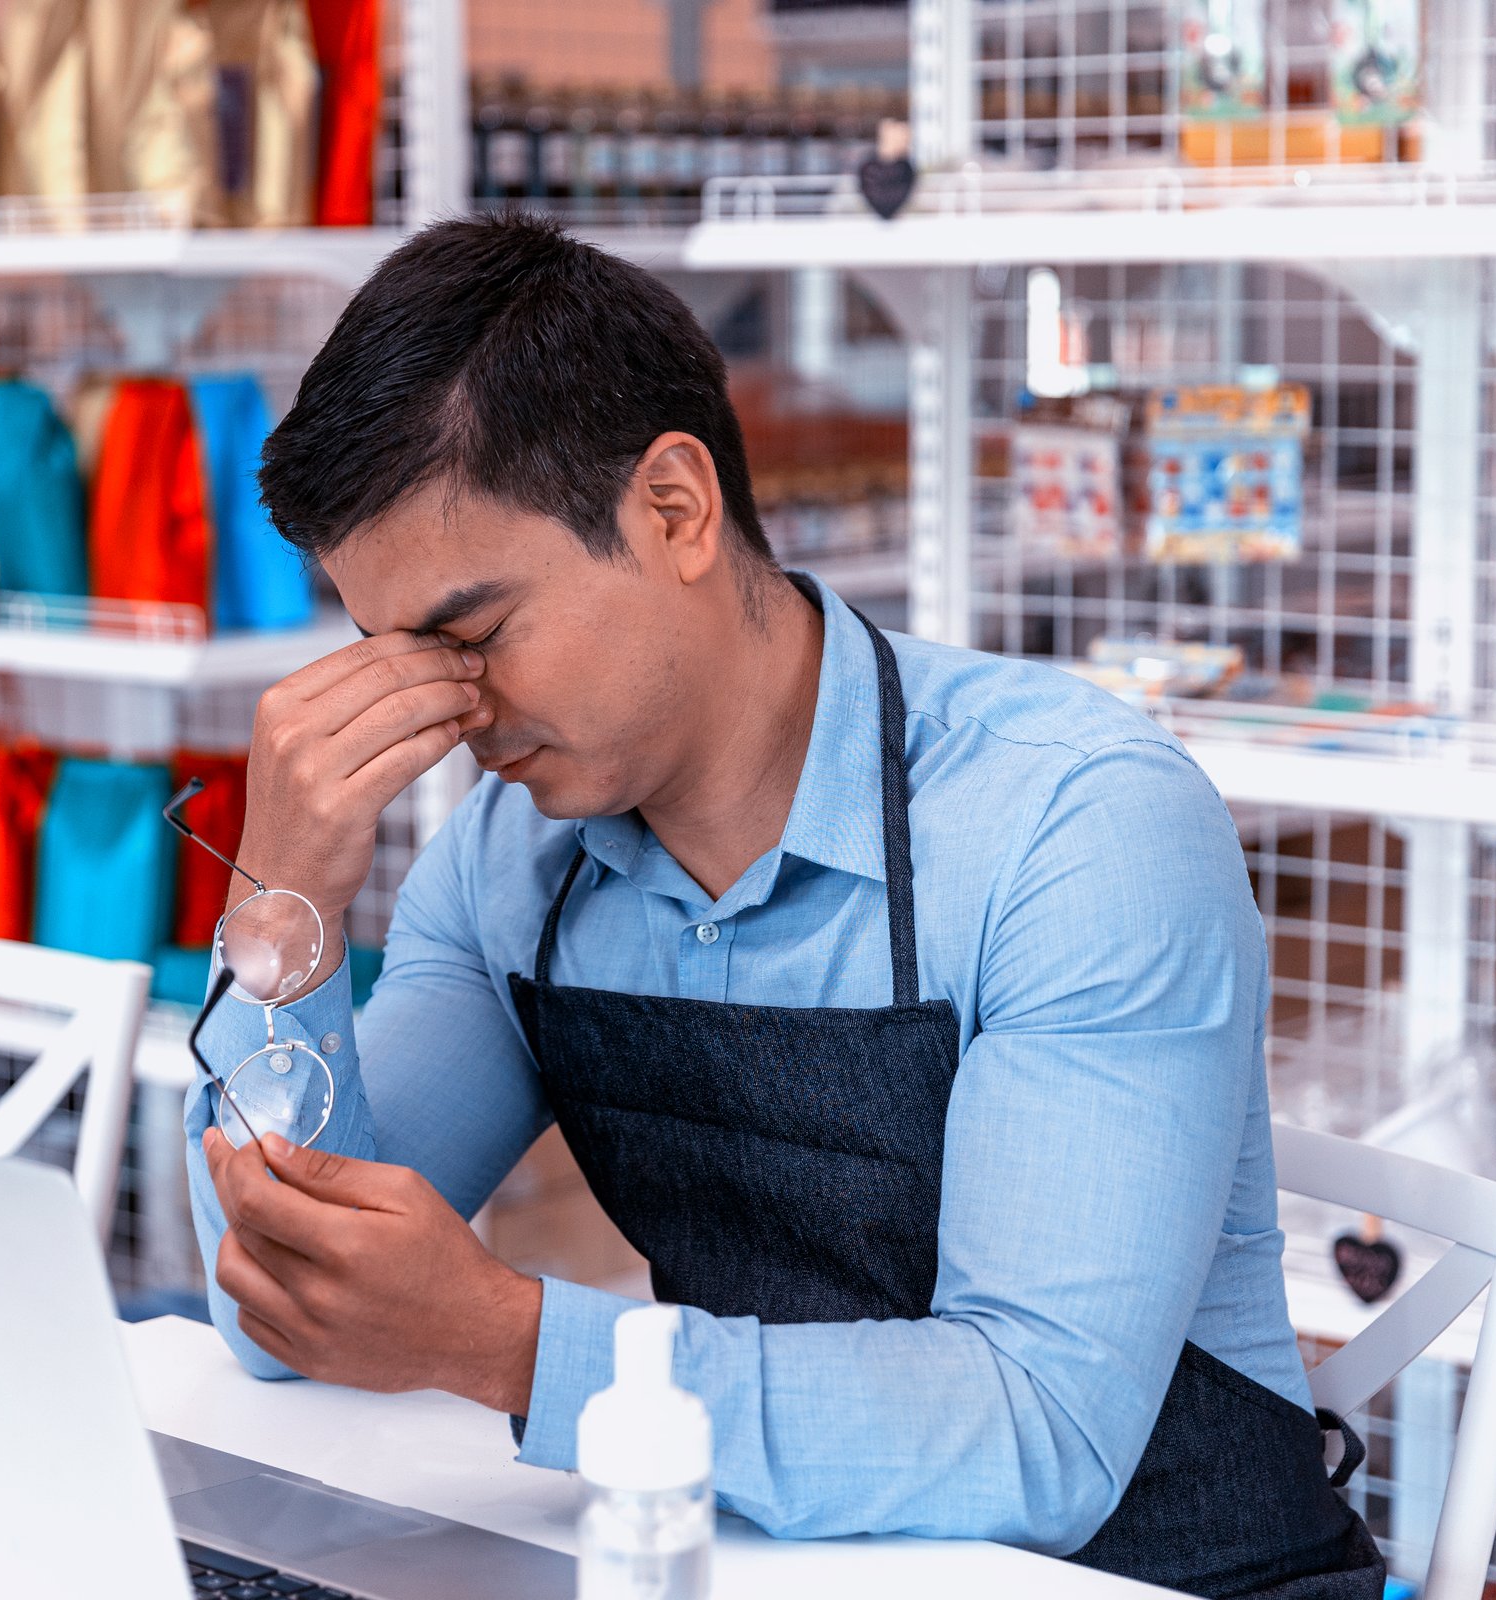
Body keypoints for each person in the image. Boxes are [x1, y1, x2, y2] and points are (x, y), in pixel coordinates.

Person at [182, 215, 1384, 1600]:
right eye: (388, 656)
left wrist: (511, 1344)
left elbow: (1041, 1428)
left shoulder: (1076, 827)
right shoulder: (513, 864)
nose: (448, 714)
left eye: (471, 636)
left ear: (675, 510)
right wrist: (282, 913)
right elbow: (266, 1309)